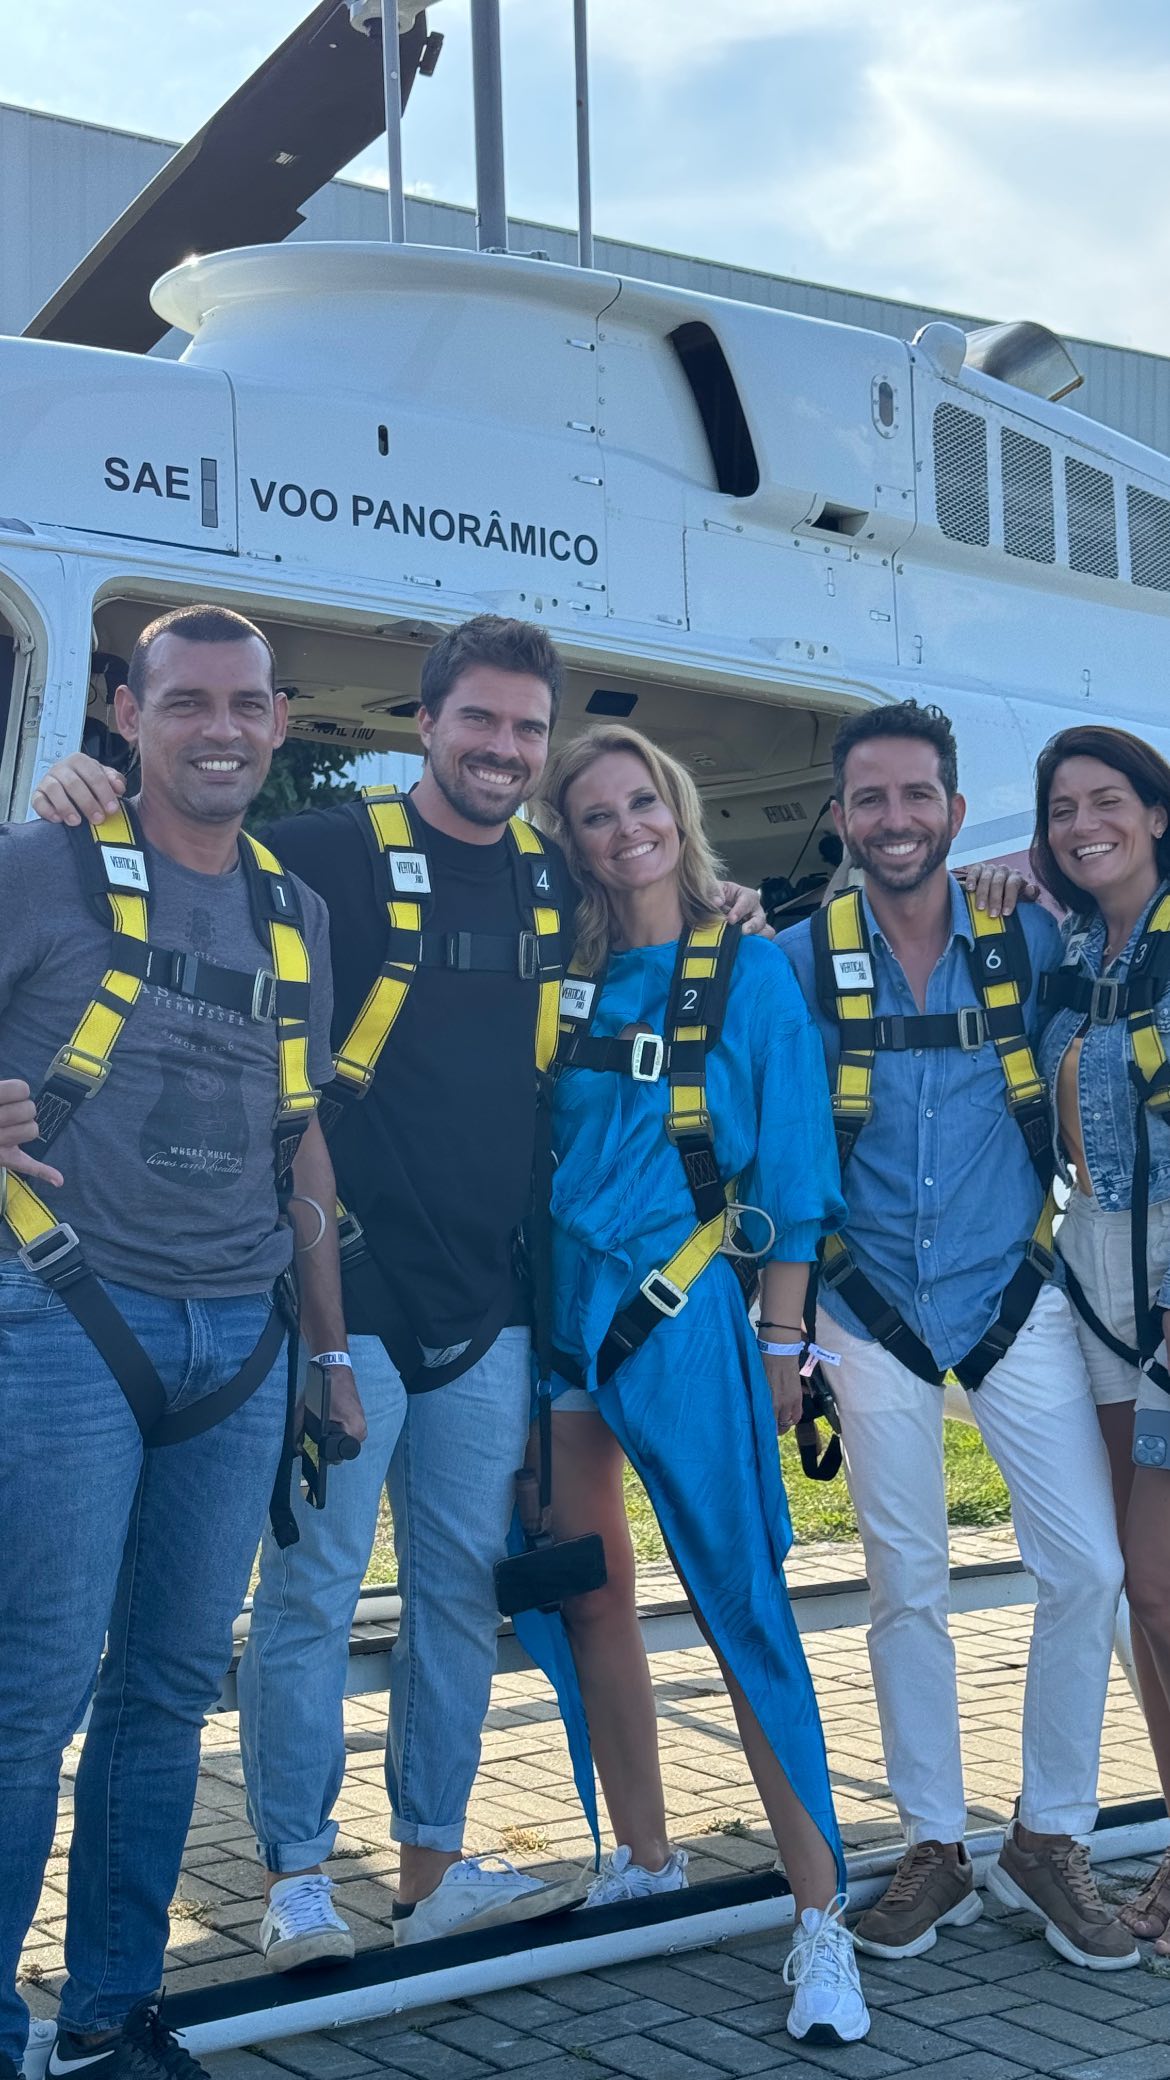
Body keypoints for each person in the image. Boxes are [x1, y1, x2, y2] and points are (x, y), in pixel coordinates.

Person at [34, 617, 767, 1965]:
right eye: (476, 722)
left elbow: (657, 911)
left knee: (458, 1595)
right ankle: (298, 1878)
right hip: (344, 1298)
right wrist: (80, 788)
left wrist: (725, 907)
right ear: (420, 727)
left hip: (487, 1308)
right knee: (308, 1597)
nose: (499, 749)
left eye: (523, 731)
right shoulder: (323, 850)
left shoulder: (556, 880)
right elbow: (174, 838)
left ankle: (429, 1867)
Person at [0, 606, 346, 2080]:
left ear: (279, 723)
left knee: (167, 1687)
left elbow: (302, 1136)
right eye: (187, 702)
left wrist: (326, 1353)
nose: (220, 728)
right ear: (127, 718)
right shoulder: (40, 864)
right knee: (33, 1684)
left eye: (246, 705)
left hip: (244, 1341)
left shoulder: (296, 912)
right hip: (73, 1311)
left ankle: (108, 2011)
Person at [515, 724, 870, 2048]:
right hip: (558, 1317)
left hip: (680, 1313)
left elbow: (788, 1166)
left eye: (640, 803)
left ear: (677, 805)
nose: (624, 830)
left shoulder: (751, 970)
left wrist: (783, 1342)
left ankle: (819, 1920)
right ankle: (644, 1857)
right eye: (593, 816)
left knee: (740, 1606)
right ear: (573, 841)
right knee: (584, 1593)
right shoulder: (561, 975)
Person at [779, 699, 1135, 1973]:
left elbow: (1119, 924)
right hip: (868, 1305)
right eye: (868, 799)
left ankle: (1048, 1836)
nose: (894, 820)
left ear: (949, 801)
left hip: (1009, 1293)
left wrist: (1037, 864)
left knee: (1086, 1569)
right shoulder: (796, 957)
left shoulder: (1029, 928)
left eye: (917, 795)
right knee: (903, 1586)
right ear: (840, 816)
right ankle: (935, 1840)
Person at [1026, 726, 1170, 1954]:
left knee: (1166, 1586)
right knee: (1142, 1595)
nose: (1085, 825)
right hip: (1096, 1282)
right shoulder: (1072, 950)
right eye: (1064, 809)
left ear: (1159, 813)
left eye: (1108, 801)